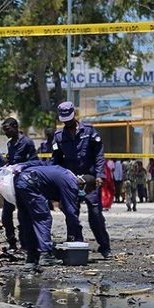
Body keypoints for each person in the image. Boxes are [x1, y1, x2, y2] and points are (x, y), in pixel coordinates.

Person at [52, 101, 112, 259]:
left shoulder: (89, 131)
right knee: (71, 215)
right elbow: (56, 162)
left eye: (69, 118)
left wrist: (100, 175)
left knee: (95, 213)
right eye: (63, 119)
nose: (67, 122)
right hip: (70, 181)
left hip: (90, 180)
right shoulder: (58, 137)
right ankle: (75, 245)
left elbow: (99, 155)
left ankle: (104, 246)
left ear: (74, 114)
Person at [12, 161, 94, 268]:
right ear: (83, 185)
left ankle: (31, 257)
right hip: (31, 183)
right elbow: (71, 212)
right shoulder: (72, 184)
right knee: (43, 218)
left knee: (28, 220)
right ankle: (45, 254)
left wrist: (23, 165)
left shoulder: (65, 173)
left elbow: (42, 164)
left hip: (20, 181)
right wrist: (76, 236)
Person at [1, 117, 38, 250]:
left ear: (15, 127)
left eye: (7, 129)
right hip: (10, 184)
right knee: (5, 217)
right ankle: (12, 242)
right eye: (4, 130)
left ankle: (25, 244)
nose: (6, 133)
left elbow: (35, 162)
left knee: (23, 215)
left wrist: (22, 166)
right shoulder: (10, 144)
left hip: (24, 183)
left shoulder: (27, 142)